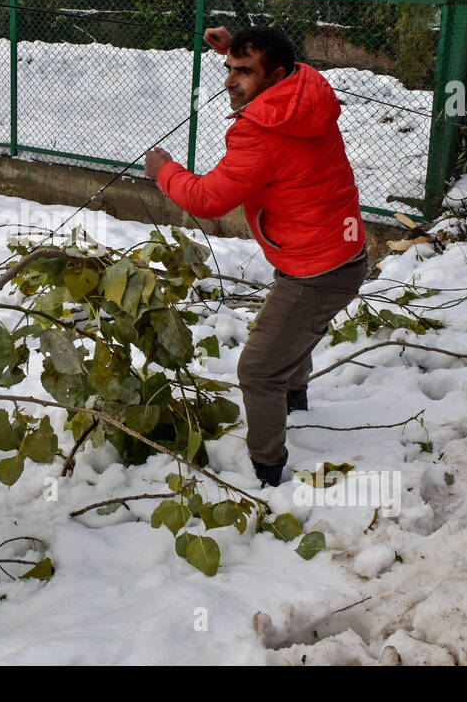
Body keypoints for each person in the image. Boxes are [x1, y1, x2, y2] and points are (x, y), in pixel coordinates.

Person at [143, 25, 367, 488]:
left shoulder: (262, 133)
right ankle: (295, 402)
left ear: (276, 76)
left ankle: (266, 470)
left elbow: (207, 199)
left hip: (317, 271)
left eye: (242, 72)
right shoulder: (308, 92)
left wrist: (163, 169)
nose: (229, 81)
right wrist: (237, 50)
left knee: (257, 369)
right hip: (340, 253)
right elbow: (281, 61)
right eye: (228, 69)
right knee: (297, 326)